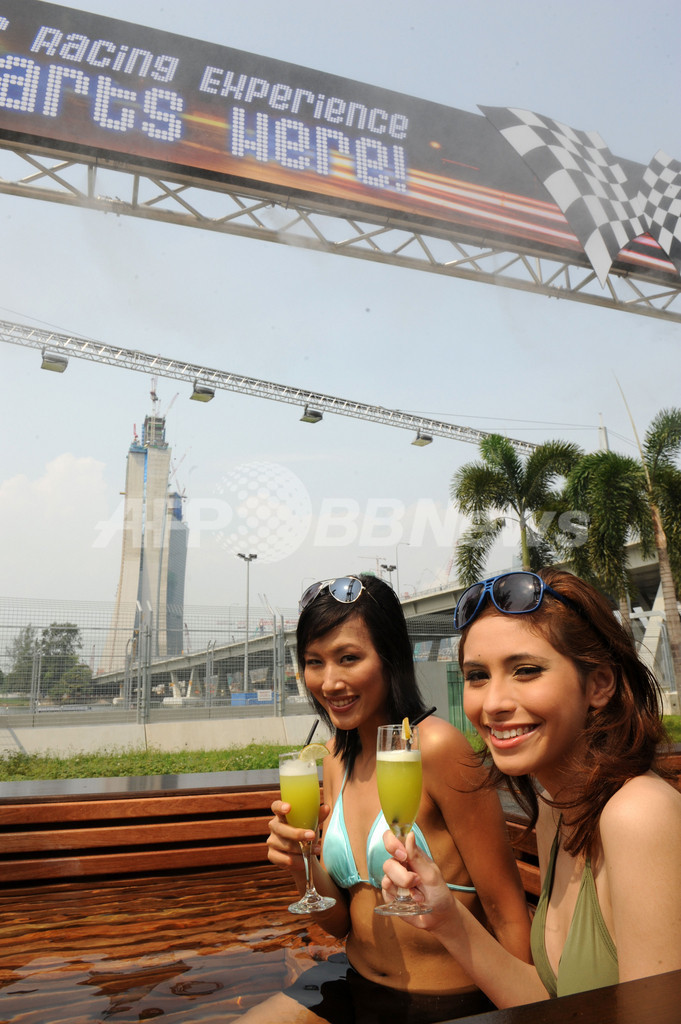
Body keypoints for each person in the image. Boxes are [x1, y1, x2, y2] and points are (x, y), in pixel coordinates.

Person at [382, 568, 681, 1008]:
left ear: (599, 685)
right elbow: (549, 999)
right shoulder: (555, 807)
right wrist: (446, 917)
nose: (493, 704)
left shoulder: (639, 814)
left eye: (525, 670)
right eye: (477, 675)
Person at [247, 573, 531, 1024]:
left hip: (446, 1002)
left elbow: (507, 910)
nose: (329, 682)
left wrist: (525, 1014)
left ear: (390, 658)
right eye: (314, 662)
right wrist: (300, 866)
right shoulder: (336, 758)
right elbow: (342, 923)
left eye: (348, 658)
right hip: (353, 981)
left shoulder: (434, 748)